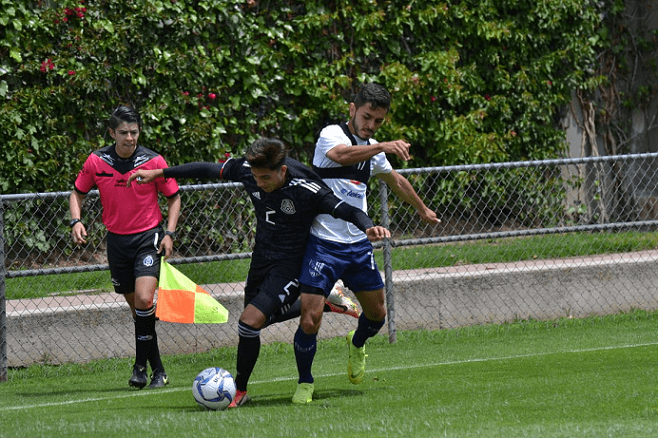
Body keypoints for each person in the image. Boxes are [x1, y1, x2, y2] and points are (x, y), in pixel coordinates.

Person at [127, 137, 390, 407]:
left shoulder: (307, 188)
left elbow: (345, 209)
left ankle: (239, 391)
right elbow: (207, 169)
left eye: (266, 178)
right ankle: (322, 304)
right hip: (262, 259)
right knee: (254, 324)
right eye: (256, 177)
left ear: (283, 170)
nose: (260, 183)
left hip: (291, 264)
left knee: (248, 322)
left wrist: (368, 226)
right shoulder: (247, 170)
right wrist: (159, 172)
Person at [292, 83, 440, 403]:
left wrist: (422, 208)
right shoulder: (332, 135)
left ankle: (356, 343)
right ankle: (305, 381)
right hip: (322, 243)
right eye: (366, 116)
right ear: (352, 109)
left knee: (377, 315)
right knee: (310, 317)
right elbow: (340, 155)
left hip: (358, 244)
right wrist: (382, 145)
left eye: (378, 121)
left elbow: (395, 180)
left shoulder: (373, 150)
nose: (370, 125)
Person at [69, 105, 181, 390]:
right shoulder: (96, 161)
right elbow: (77, 193)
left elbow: (174, 197)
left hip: (148, 238)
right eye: (123, 133)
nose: (130, 138)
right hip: (117, 242)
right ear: (112, 133)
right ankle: (158, 371)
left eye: (134, 132)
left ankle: (139, 368)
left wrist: (168, 233)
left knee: (144, 301)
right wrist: (76, 221)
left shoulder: (154, 161)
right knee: (139, 312)